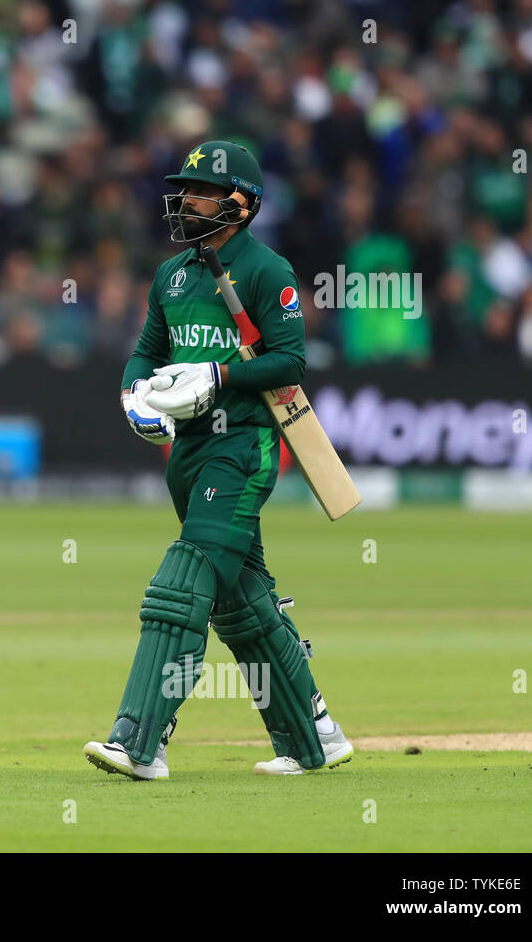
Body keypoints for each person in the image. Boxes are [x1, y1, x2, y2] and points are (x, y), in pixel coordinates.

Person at [83, 141, 354, 778]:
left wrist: (218, 373)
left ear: (240, 203)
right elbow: (145, 351)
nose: (185, 201)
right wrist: (133, 393)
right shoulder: (172, 275)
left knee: (185, 579)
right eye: (184, 190)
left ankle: (141, 739)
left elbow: (289, 362)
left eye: (200, 191)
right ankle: (313, 734)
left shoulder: (267, 270)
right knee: (242, 602)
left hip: (245, 446)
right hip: (189, 450)